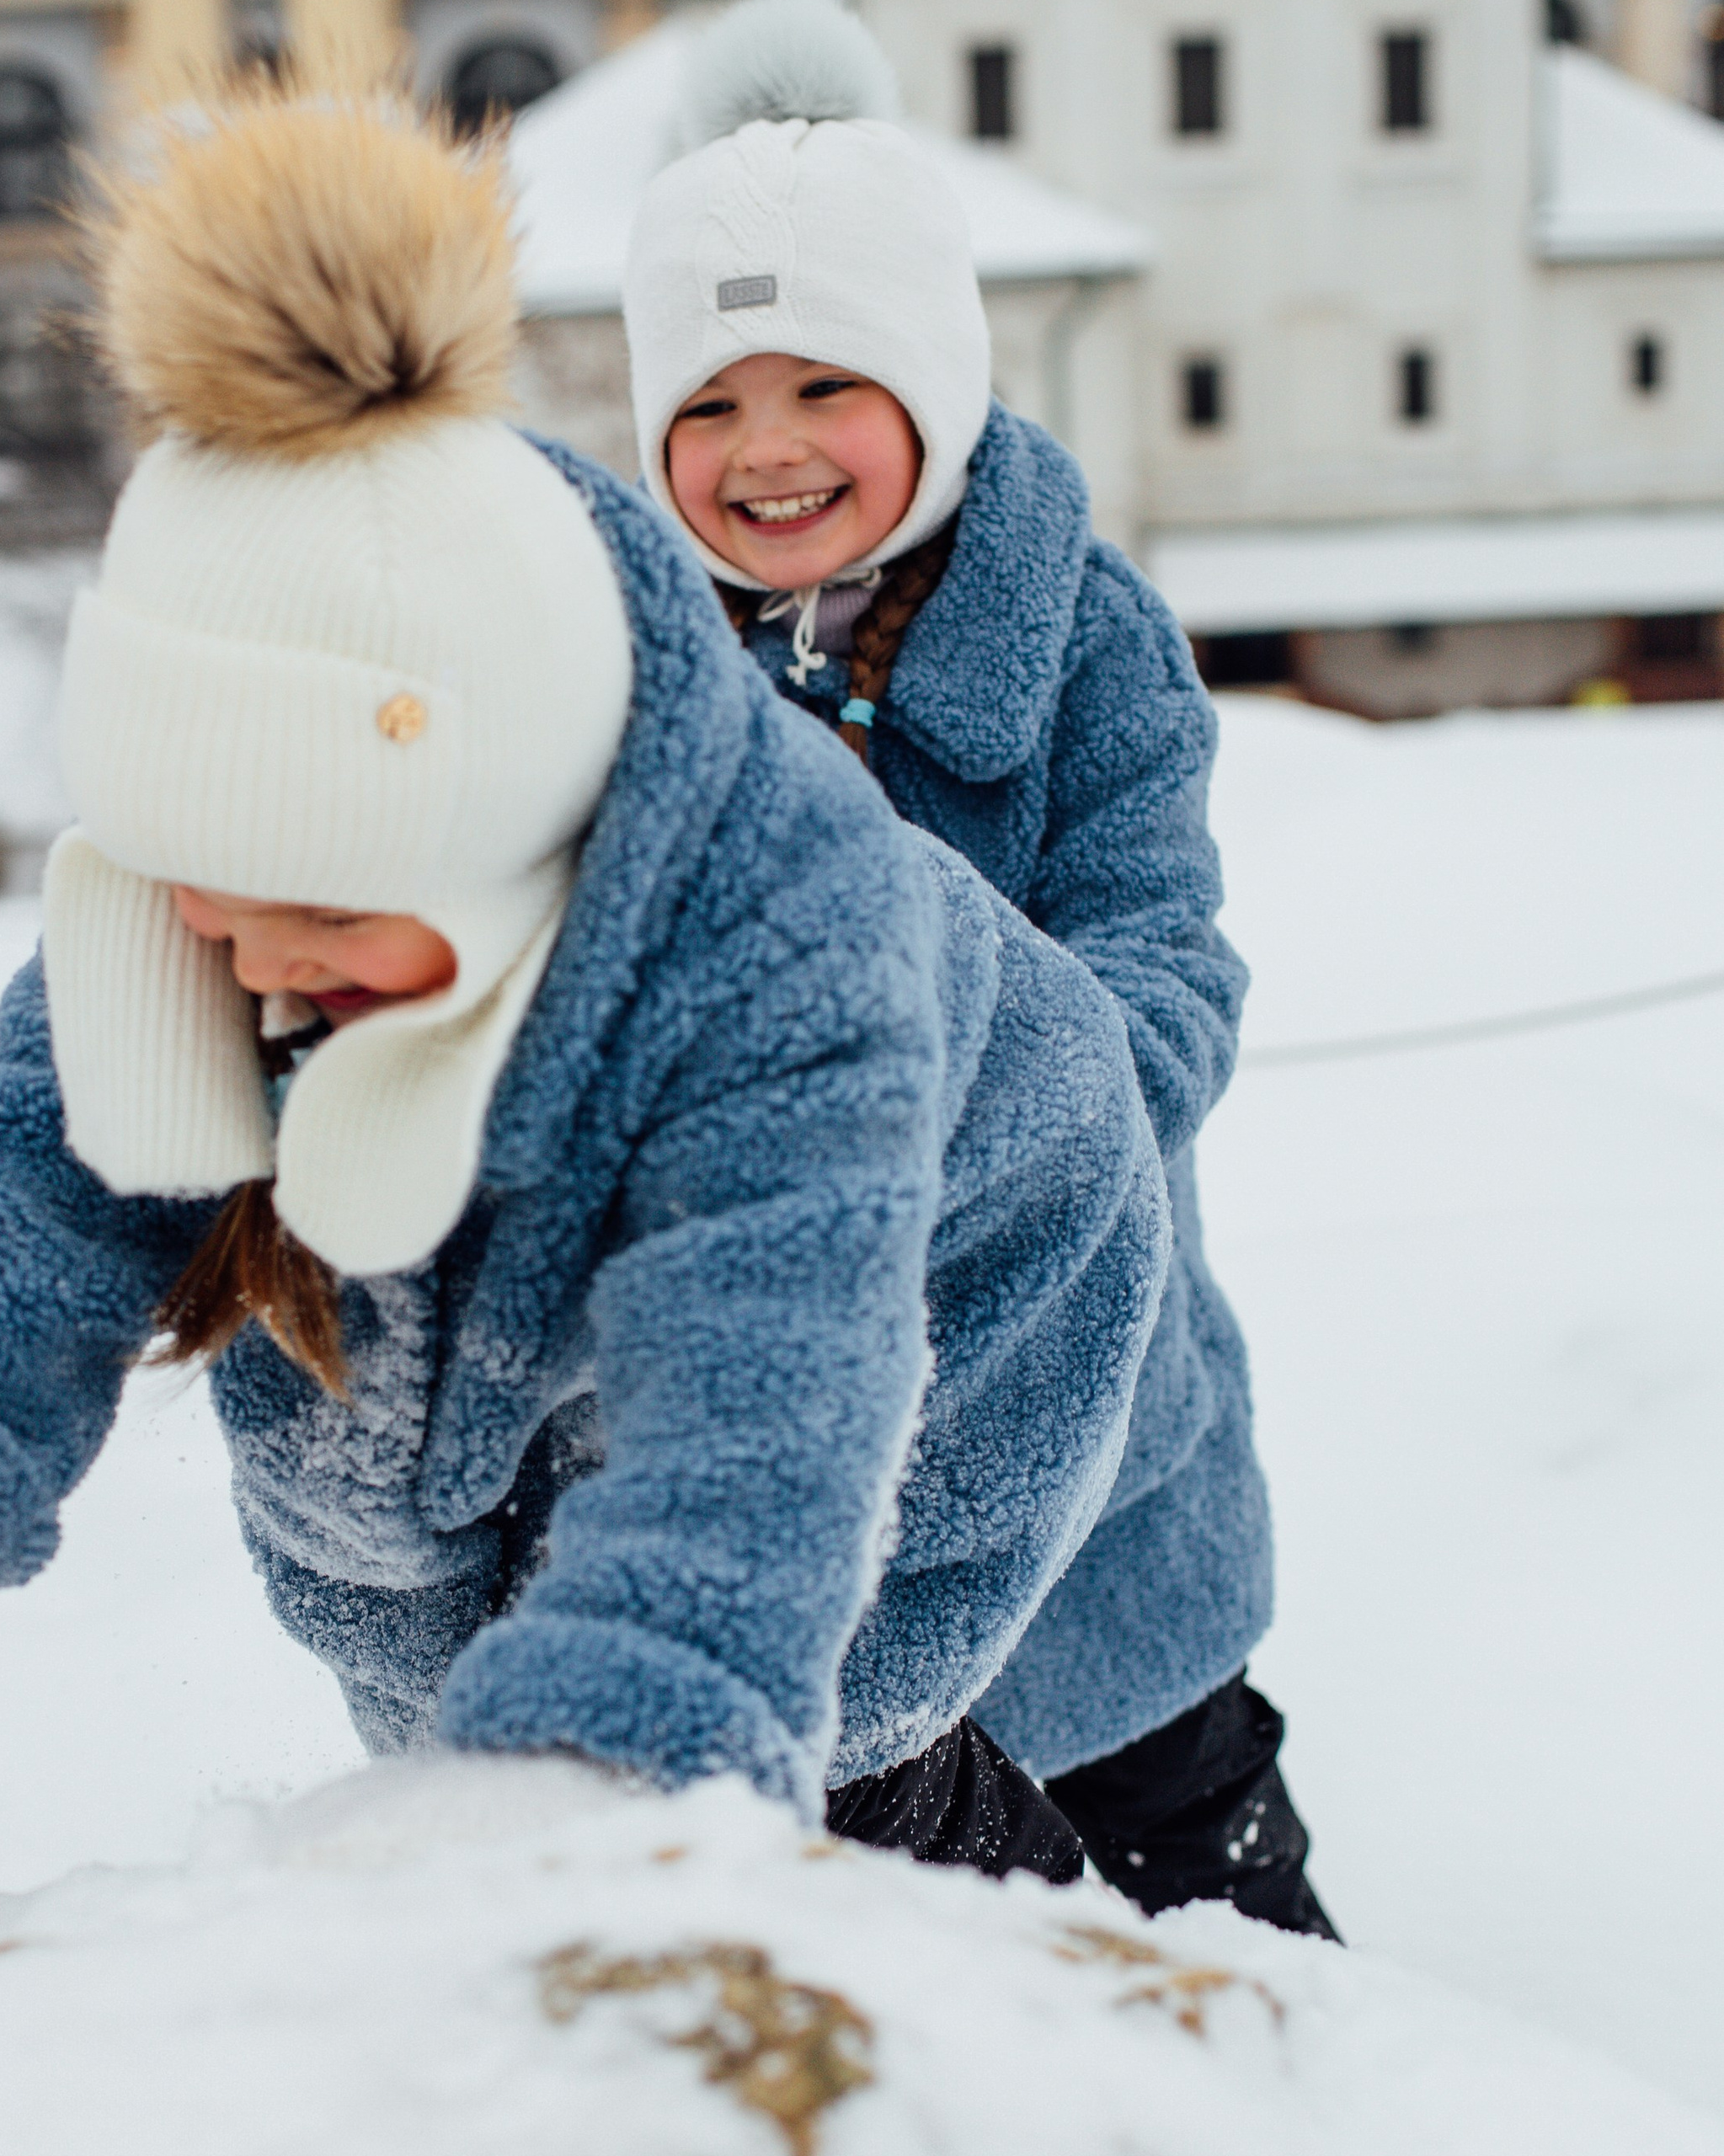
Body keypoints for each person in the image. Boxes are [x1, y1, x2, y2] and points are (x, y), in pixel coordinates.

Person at [0, 85, 1167, 1889]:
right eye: (211, 897)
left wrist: (597, 1750)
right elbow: (33, 1168)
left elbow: (764, 1393)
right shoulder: (244, 840)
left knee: (811, 1783)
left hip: (968, 1295)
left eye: (323, 912)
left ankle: (1058, 1972)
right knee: (458, 1713)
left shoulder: (784, 941)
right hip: (476, 1408)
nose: (258, 965)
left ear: (496, 850)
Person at [622, 0, 1337, 1939]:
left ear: (931, 379)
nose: (765, 449)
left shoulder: (1081, 638)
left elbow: (1160, 968)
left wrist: (991, 1121)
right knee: (881, 1929)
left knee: (1190, 1865)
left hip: (1080, 1391)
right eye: (706, 402)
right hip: (781, 1410)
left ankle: (1281, 2038)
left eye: (820, 384)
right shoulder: (630, 662)